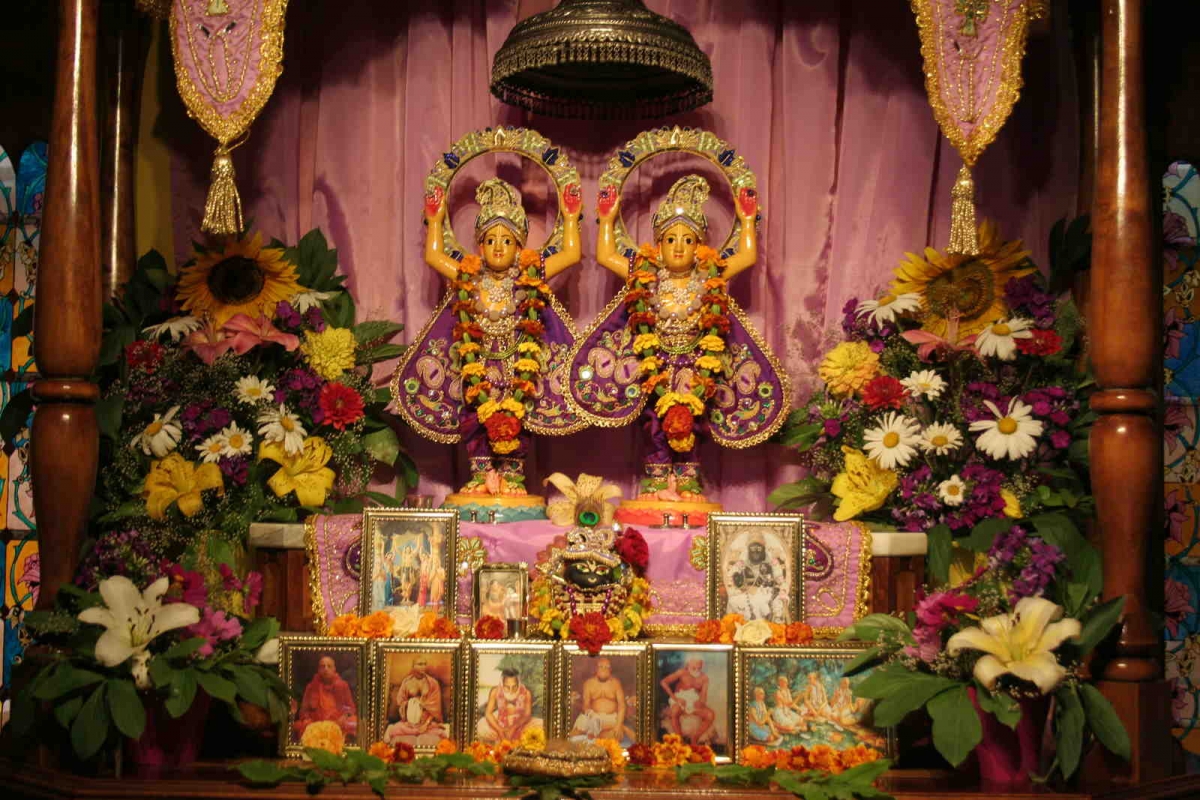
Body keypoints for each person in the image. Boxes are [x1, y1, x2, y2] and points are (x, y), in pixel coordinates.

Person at [571, 174, 788, 499]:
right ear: (658, 245)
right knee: (653, 422)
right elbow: (606, 256)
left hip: (697, 365)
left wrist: (746, 221)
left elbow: (746, 257)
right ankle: (657, 481)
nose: (678, 247)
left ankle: (687, 481)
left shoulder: (709, 276)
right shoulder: (646, 276)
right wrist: (607, 219)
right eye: (671, 239)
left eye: (688, 240)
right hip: (653, 365)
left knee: (693, 421)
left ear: (699, 247)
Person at [394, 177, 584, 495]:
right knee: (475, 415)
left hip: (517, 367)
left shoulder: (528, 277)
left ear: (520, 248)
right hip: (476, 366)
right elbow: (434, 256)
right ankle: (480, 475)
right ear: (479, 246)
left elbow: (570, 253)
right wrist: (435, 219)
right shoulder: (469, 277)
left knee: (517, 415)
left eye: (507, 240)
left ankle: (512, 476)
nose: (498, 247)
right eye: (490, 239)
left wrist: (570, 216)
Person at [569, 657, 636, 745]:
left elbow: (622, 706)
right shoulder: (589, 683)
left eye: (607, 667)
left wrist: (619, 725)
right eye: (601, 666)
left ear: (610, 670)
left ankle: (594, 736)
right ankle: (593, 736)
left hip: (611, 718)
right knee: (575, 733)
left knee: (616, 736)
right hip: (593, 717)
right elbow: (586, 705)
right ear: (596, 669)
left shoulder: (615, 683)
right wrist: (591, 714)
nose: (604, 669)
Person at [725, 532, 788, 622]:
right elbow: (730, 578)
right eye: (753, 548)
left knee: (773, 602)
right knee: (733, 601)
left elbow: (781, 582)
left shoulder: (772, 562)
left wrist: (783, 591)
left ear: (763, 549)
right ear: (748, 549)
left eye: (759, 548)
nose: (756, 551)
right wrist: (738, 589)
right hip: (746, 595)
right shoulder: (741, 563)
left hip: (766, 594)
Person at [293, 655, 358, 742]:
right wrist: (306, 719)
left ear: (334, 669)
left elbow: (351, 708)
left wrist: (344, 716)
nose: (326, 669)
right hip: (317, 723)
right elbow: (304, 711)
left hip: (338, 722)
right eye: (322, 666)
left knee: (354, 722)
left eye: (329, 666)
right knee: (298, 725)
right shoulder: (311, 687)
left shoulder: (343, 685)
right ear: (318, 670)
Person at [383, 657, 446, 744]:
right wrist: (410, 704)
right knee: (395, 731)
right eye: (420, 664)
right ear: (413, 666)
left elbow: (435, 707)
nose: (423, 666)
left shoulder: (432, 683)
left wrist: (426, 724)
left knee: (438, 734)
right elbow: (401, 701)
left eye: (424, 664)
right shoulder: (407, 682)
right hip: (410, 723)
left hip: (427, 722)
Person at [660, 656, 716, 746]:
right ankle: (680, 740)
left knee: (710, 715)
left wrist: (701, 702)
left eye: (699, 668)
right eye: (694, 667)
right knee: (675, 711)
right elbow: (663, 682)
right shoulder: (682, 672)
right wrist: (675, 698)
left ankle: (695, 738)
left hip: (693, 700)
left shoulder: (704, 678)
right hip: (679, 698)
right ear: (688, 664)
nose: (696, 670)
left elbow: (703, 696)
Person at [477, 668, 538, 742]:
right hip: (500, 720)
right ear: (502, 683)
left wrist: (514, 727)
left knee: (539, 728)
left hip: (520, 721)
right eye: (507, 687)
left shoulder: (526, 693)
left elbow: (527, 715)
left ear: (519, 683)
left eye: (514, 686)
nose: (511, 690)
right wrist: (499, 730)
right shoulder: (495, 691)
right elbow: (488, 713)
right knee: (480, 728)